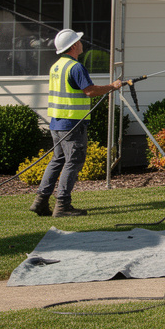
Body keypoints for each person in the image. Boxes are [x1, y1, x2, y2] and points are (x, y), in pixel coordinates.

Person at [29, 29, 128, 218]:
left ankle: (40, 201)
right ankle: (63, 205)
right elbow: (89, 91)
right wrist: (113, 86)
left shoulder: (56, 66)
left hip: (57, 123)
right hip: (72, 124)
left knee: (57, 160)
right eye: (79, 41)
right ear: (74, 45)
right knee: (73, 161)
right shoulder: (75, 67)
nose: (82, 43)